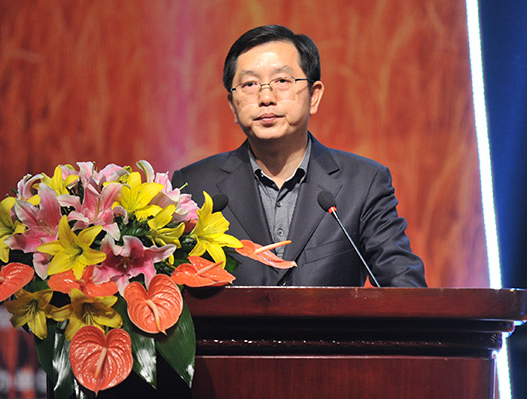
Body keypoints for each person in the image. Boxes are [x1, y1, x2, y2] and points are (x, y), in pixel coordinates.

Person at [171, 25, 426, 287]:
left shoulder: (363, 183)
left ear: (314, 96)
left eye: (282, 81)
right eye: (249, 84)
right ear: (233, 106)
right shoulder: (194, 186)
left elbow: (404, 286)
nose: (266, 97)